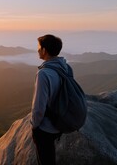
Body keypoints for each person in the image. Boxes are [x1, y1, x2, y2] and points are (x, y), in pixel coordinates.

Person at [30, 34, 71, 165]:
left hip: (46, 128)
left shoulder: (44, 73)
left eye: (39, 47)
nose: (37, 50)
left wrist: (34, 126)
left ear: (44, 50)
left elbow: (39, 108)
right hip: (60, 122)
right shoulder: (66, 67)